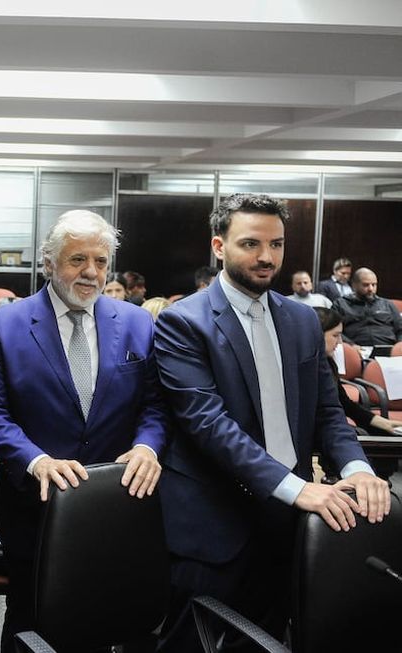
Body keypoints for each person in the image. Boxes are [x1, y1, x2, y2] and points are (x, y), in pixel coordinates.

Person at [154, 193, 390, 652]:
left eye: (277, 244)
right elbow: (208, 424)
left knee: (273, 640)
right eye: (251, 244)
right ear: (218, 247)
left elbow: (327, 410)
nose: (267, 257)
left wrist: (358, 469)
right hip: (214, 527)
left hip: (291, 520)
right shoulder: (184, 322)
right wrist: (295, 487)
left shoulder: (301, 320)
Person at [0, 210, 169, 653]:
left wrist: (147, 447)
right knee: (30, 621)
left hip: (114, 508)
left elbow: (156, 406)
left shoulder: (137, 322)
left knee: (104, 622)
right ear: (48, 263)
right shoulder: (7, 324)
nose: (91, 273)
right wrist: (37, 461)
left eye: (101, 261)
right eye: (78, 259)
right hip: (33, 508)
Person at [315, 308, 402, 438]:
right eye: (335, 335)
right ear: (317, 335)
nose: (340, 342)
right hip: (317, 431)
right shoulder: (299, 369)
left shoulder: (327, 363)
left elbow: (345, 403)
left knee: (386, 433)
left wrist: (383, 423)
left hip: (330, 426)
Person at [333, 267, 402, 347]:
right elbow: (333, 331)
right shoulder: (340, 304)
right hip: (356, 350)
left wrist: (398, 347)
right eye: (366, 285)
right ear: (354, 285)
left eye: (374, 284)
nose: (371, 289)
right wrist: (351, 345)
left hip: (388, 349)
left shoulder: (387, 304)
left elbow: (400, 330)